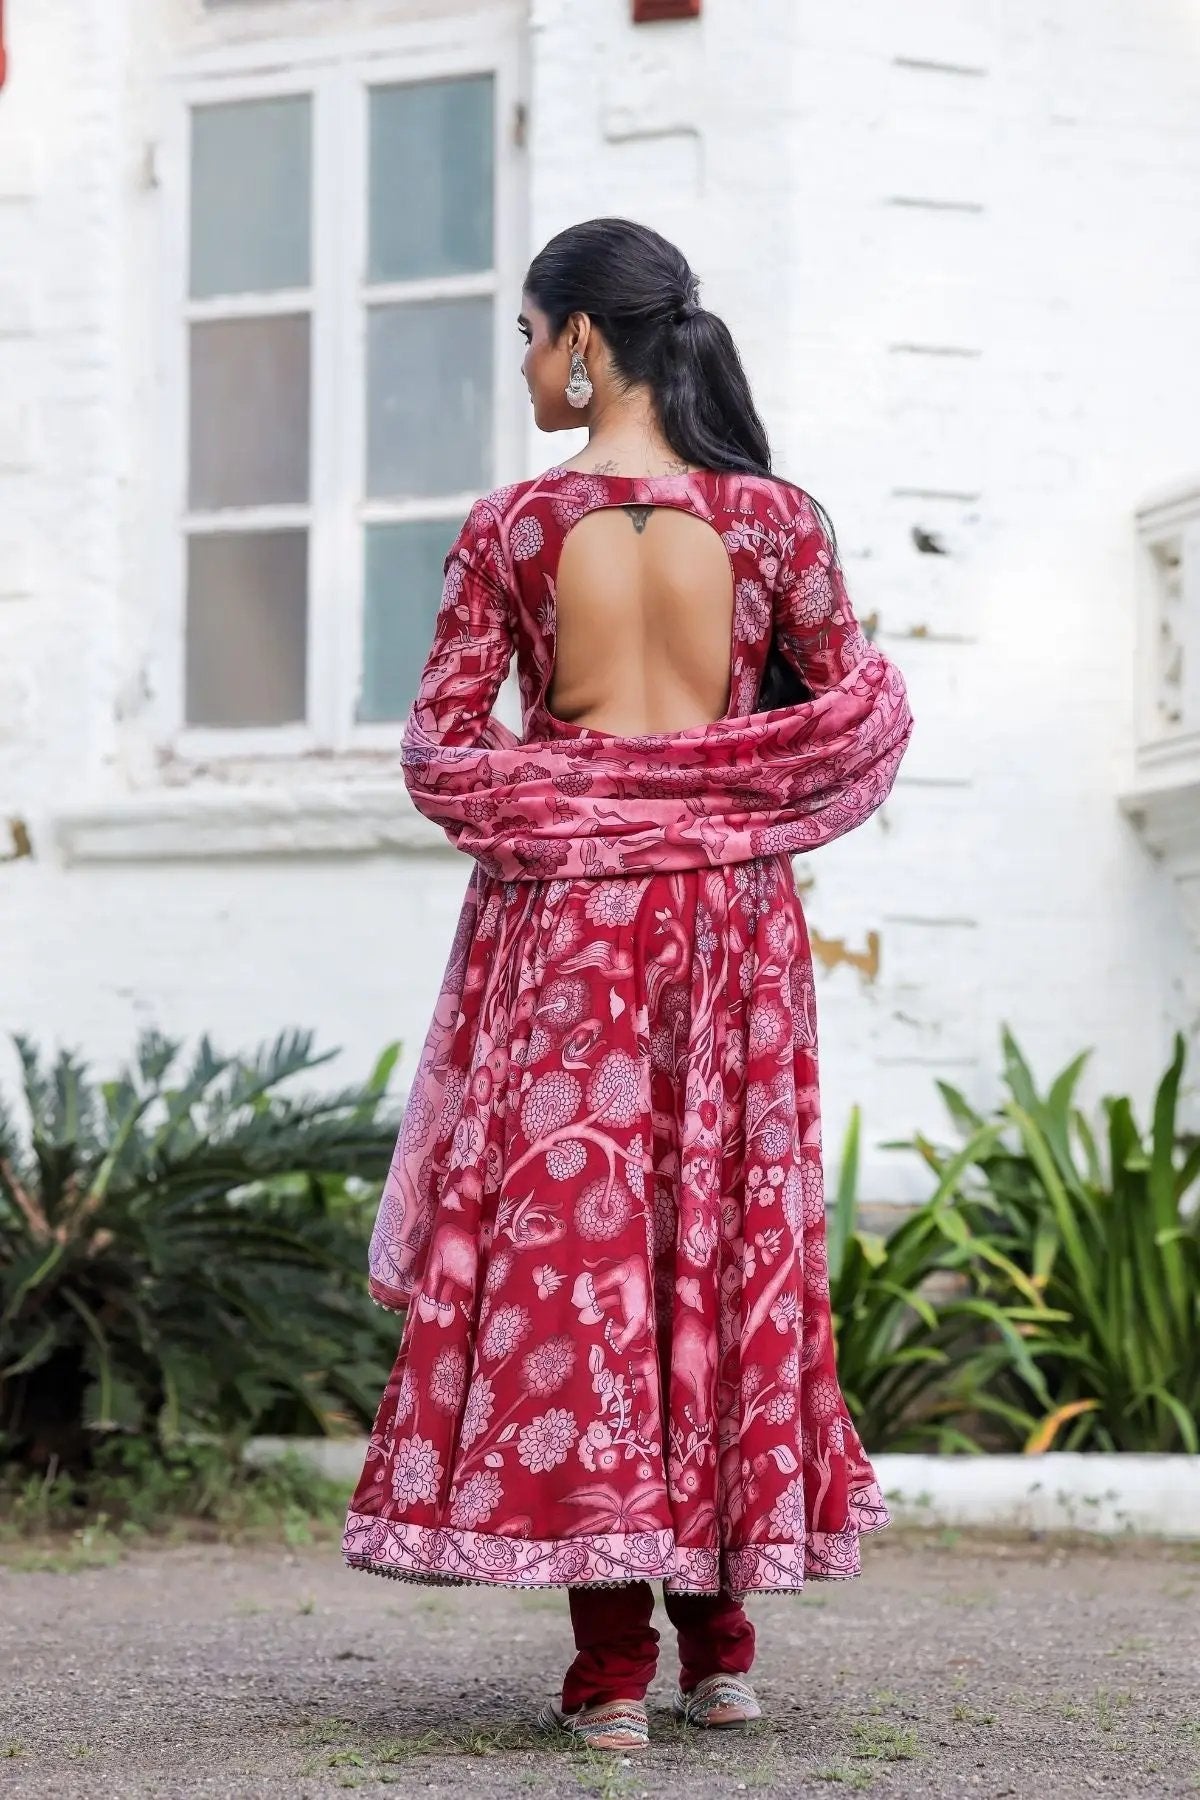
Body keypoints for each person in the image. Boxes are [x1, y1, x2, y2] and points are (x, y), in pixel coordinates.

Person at [344, 219, 913, 1753]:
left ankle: (609, 1682)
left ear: (585, 339)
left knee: (580, 1271)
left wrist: (576, 801)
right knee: (725, 1247)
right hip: (734, 932)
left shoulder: (514, 530)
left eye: (529, 333)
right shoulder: (782, 523)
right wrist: (724, 798)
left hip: (575, 940)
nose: (526, 363)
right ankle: (720, 1651)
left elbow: (447, 756)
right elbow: (853, 723)